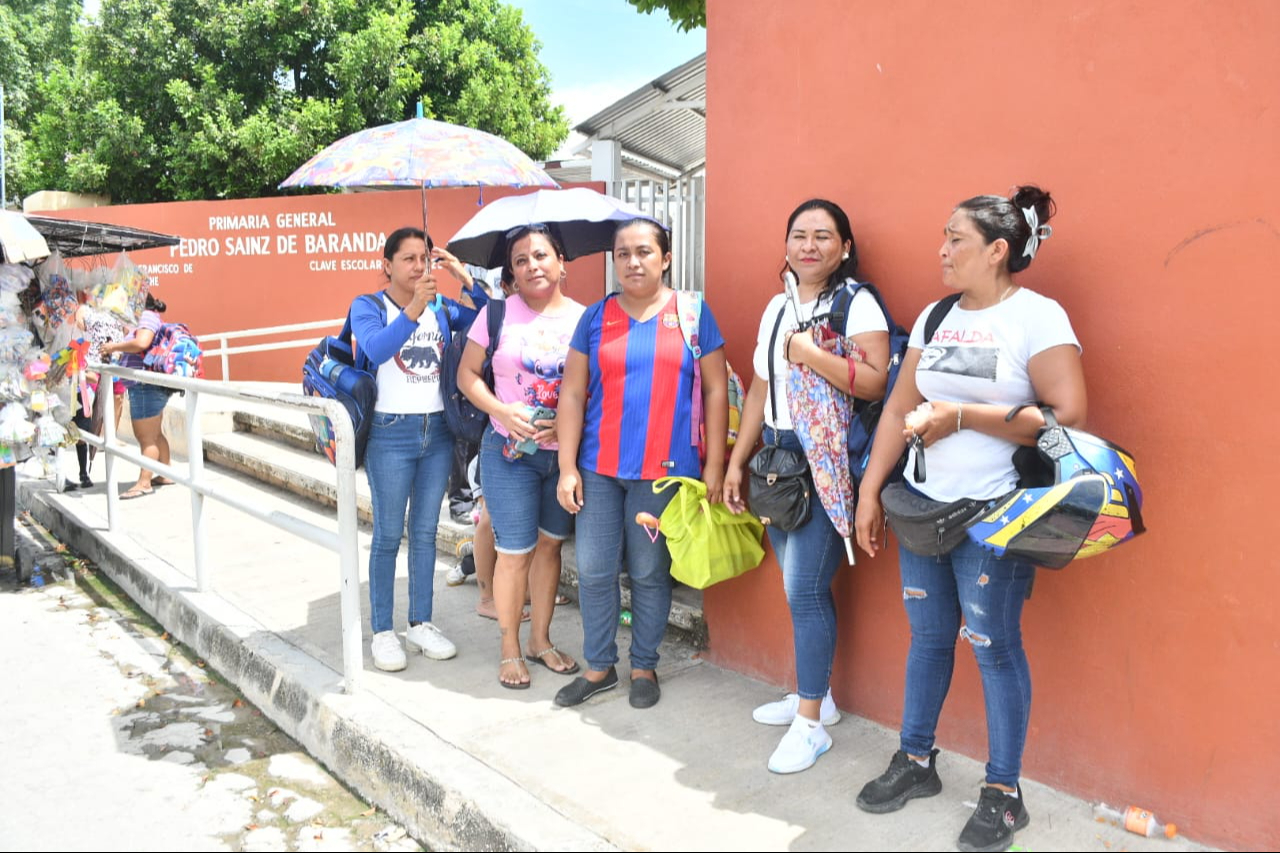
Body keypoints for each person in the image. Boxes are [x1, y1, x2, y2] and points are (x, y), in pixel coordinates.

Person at [852, 186, 1084, 853]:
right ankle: (916, 760)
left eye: (955, 238)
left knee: (992, 644)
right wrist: (872, 491)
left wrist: (961, 417)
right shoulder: (936, 315)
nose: (942, 250)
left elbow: (1067, 415)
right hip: (924, 511)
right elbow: (899, 408)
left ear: (997, 249)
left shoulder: (1037, 317)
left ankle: (1004, 793)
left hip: (994, 518)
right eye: (944, 237)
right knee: (927, 637)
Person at [723, 199, 891, 773]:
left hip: (826, 463)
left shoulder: (857, 304)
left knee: (805, 590)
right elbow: (758, 388)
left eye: (824, 236)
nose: (809, 246)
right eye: (799, 235)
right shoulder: (777, 307)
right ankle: (816, 694)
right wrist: (736, 462)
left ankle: (811, 722)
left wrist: (810, 353)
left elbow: (872, 384)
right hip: (777, 458)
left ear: (844, 247)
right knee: (795, 584)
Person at [555, 218, 728, 710]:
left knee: (650, 572)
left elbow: (716, 389)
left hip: (665, 472)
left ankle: (644, 665)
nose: (633, 261)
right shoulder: (595, 317)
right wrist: (568, 467)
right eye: (623, 253)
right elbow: (571, 393)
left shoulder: (692, 313)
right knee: (592, 569)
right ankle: (599, 666)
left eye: (644, 252)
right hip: (599, 469)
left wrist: (714, 465)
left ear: (665, 258)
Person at [349, 227, 488, 672]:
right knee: (389, 533)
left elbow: (491, 321)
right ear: (386, 264)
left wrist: (467, 282)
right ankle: (383, 632)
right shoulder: (367, 307)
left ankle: (420, 622)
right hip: (390, 433)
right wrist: (413, 308)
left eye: (424, 259)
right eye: (407, 259)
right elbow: (376, 348)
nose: (417, 267)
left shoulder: (443, 308)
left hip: (437, 434)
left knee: (426, 533)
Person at [458, 224, 586, 689]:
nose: (532, 266)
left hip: (564, 455)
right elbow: (467, 375)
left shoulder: (584, 318)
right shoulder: (495, 314)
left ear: (561, 262)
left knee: (550, 547)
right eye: (520, 260)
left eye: (540, 255)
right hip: (508, 452)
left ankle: (541, 640)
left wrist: (570, 423)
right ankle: (510, 646)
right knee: (515, 552)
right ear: (511, 271)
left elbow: (595, 387)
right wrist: (501, 409)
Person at [100, 294, 174, 500]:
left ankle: (144, 482)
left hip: (144, 386)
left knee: (145, 437)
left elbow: (142, 343)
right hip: (148, 385)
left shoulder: (146, 317)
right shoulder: (149, 317)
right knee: (155, 434)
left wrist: (114, 347)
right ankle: (166, 472)